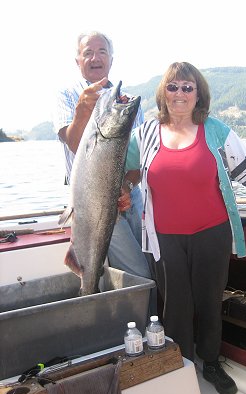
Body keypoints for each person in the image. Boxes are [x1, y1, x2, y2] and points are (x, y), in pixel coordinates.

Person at [126, 61, 246, 394]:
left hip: (212, 232)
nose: (180, 93)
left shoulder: (217, 130)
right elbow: (124, 167)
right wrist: (118, 189)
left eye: (187, 87)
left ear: (198, 94)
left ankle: (211, 362)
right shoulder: (145, 132)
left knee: (208, 302)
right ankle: (181, 364)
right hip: (164, 237)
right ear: (163, 92)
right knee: (174, 304)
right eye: (173, 86)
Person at [53, 31, 151, 279]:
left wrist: (128, 186)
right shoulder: (67, 95)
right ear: (78, 61)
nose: (95, 58)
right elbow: (76, 146)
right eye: (88, 53)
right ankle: (143, 316)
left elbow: (142, 155)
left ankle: (144, 316)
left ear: (111, 59)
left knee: (151, 264)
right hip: (92, 201)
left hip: (131, 194)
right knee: (138, 273)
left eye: (102, 52)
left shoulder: (125, 102)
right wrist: (82, 111)